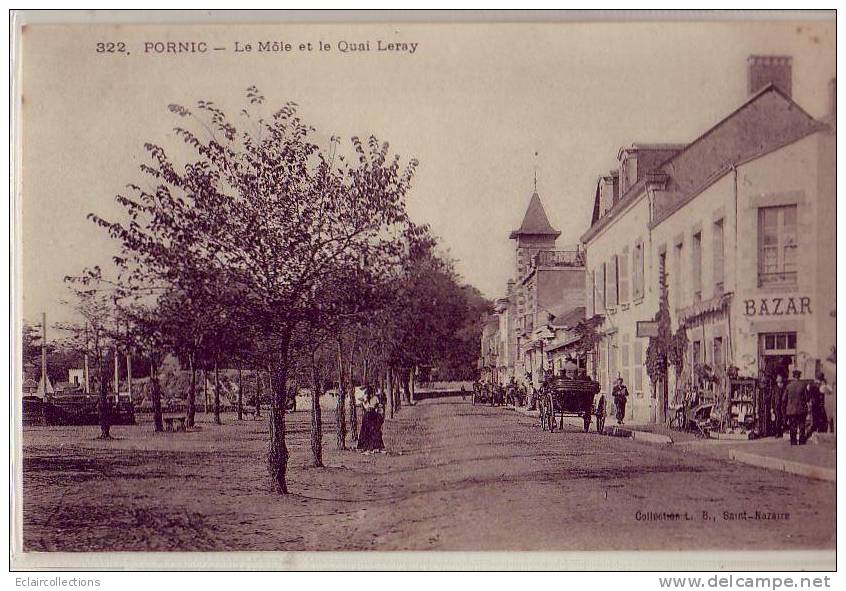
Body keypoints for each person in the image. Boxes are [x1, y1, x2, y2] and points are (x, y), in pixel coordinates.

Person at [785, 370, 809, 445]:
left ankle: (793, 441)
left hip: (791, 410)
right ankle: (801, 441)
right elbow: (807, 397)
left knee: (792, 426)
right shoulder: (803, 385)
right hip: (801, 409)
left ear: (793, 376)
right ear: (799, 376)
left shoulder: (788, 386)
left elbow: (784, 398)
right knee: (801, 425)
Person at [357, 385, 385, 452]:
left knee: (373, 430)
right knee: (368, 430)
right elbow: (362, 404)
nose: (369, 393)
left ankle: (373, 446)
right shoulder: (367, 398)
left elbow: (379, 406)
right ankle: (366, 446)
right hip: (369, 415)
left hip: (371, 415)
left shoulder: (374, 398)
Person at [771, 374, 787, 438]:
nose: (780, 383)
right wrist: (772, 407)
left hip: (783, 406)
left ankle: (782, 432)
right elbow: (772, 398)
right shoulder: (775, 388)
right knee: (777, 419)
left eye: (781, 382)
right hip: (776, 406)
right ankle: (777, 433)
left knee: (783, 418)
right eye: (779, 382)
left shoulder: (784, 388)